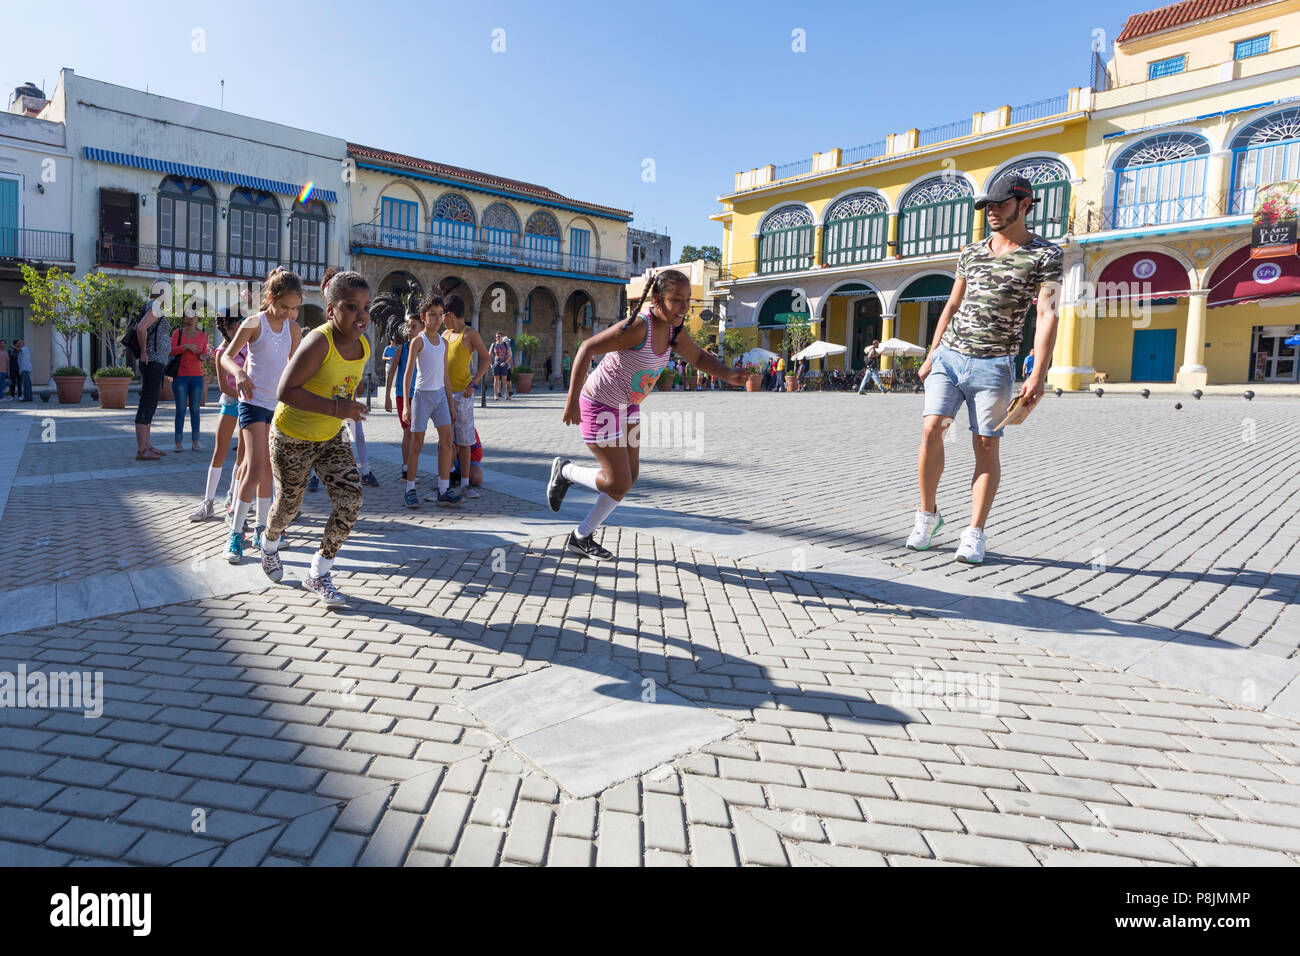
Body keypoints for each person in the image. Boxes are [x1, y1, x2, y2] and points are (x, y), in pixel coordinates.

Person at [909, 174, 1062, 565]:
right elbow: (951, 305)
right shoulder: (971, 252)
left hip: (995, 365)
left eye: (1000, 204)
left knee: (985, 445)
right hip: (949, 357)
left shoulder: (1046, 255)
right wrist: (932, 353)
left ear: (1024, 204)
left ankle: (975, 531)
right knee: (932, 430)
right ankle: (928, 515)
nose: (992, 211)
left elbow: (1047, 313)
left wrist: (1037, 373)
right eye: (987, 206)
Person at [546, 269, 748, 560]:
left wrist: (728, 373)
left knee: (631, 476)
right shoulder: (640, 327)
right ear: (657, 300)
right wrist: (571, 402)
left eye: (688, 299)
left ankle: (581, 537)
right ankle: (565, 472)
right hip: (599, 404)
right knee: (619, 481)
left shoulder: (675, 331)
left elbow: (699, 357)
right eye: (676, 299)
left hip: (628, 406)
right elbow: (587, 348)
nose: (684, 306)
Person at [257, 270, 371, 605]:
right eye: (351, 306)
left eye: (365, 307)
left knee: (351, 500)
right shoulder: (319, 341)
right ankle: (269, 541)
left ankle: (318, 572)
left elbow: (342, 385)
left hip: (330, 437)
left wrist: (346, 405)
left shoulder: (363, 345)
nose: (361, 314)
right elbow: (285, 391)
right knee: (289, 505)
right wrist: (339, 407)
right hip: (292, 436)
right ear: (331, 309)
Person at [221, 267, 303, 563]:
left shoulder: (294, 329)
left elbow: (293, 365)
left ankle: (260, 529)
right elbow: (227, 356)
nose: (289, 314)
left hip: (279, 407)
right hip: (253, 403)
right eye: (284, 307)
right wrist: (240, 373)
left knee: (270, 470)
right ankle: (235, 533)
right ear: (270, 298)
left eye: (295, 308)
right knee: (255, 466)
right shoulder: (254, 324)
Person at [399, 294, 460, 508]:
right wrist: (406, 404)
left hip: (440, 396)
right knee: (416, 444)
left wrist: (451, 405)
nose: (436, 319)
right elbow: (408, 374)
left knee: (447, 443)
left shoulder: (444, 343)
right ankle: (410, 490)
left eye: (440, 315)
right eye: (432, 315)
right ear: (424, 317)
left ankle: (443, 489)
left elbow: (445, 375)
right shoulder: (418, 341)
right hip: (422, 396)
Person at [189, 314, 246, 521]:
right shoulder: (221, 352)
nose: (241, 329)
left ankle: (232, 497)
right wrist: (243, 395)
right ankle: (208, 502)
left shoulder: (249, 347)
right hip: (232, 402)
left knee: (242, 454)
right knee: (219, 452)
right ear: (228, 327)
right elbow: (223, 386)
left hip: (249, 404)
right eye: (237, 325)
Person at [441, 294, 490, 500]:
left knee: (464, 440)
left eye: (443, 314)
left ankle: (465, 484)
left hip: (463, 395)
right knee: (446, 439)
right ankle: (446, 478)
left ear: (450, 314)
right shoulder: (445, 334)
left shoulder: (470, 334)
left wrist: (473, 383)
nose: (442, 318)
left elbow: (486, 359)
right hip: (444, 395)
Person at [384, 310, 420, 486]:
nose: (410, 330)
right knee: (408, 432)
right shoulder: (401, 349)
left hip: (420, 395)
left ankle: (412, 468)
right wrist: (387, 398)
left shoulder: (424, 348)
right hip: (403, 395)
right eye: (409, 327)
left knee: (416, 434)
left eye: (414, 327)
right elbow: (391, 374)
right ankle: (406, 470)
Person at [135, 295, 170, 458]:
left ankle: (147, 446)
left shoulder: (152, 306)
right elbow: (141, 328)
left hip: (156, 362)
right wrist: (143, 352)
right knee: (147, 403)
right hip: (153, 361)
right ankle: (142, 449)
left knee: (151, 403)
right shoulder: (154, 306)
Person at [170, 311, 208, 452]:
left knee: (195, 409)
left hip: (197, 377)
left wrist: (204, 356)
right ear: (184, 317)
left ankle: (195, 442)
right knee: (180, 409)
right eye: (188, 316)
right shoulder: (177, 333)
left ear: (197, 318)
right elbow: (171, 351)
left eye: (193, 316)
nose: (190, 319)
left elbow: (203, 354)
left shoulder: (202, 336)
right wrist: (185, 347)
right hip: (180, 376)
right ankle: (178, 443)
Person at [490, 332, 512, 400]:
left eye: (499, 337)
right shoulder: (493, 345)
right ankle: (495, 395)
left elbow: (509, 355)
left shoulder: (505, 344)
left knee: (504, 380)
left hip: (503, 364)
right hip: (496, 363)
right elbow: (489, 355)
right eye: (496, 337)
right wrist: (491, 364)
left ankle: (506, 395)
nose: (497, 338)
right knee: (496, 380)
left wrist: (505, 362)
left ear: (502, 337)